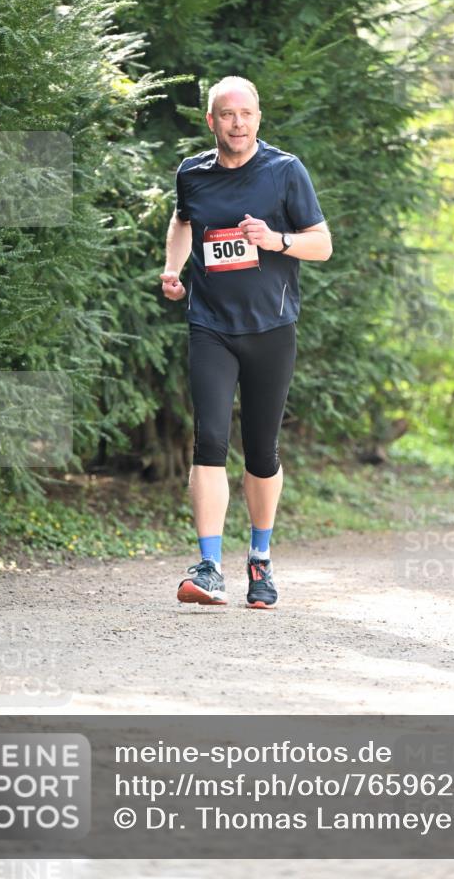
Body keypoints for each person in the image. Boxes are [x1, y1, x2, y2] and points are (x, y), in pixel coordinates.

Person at [160, 76, 332, 609]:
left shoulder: (285, 171)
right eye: (227, 114)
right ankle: (209, 566)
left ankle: (260, 559)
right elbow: (182, 219)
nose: (237, 123)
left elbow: (322, 245)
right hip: (210, 324)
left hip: (271, 329)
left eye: (247, 114)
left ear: (259, 118)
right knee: (209, 441)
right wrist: (172, 269)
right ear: (211, 121)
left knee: (261, 452)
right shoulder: (193, 173)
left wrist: (275, 239)